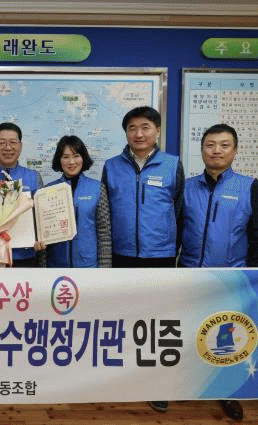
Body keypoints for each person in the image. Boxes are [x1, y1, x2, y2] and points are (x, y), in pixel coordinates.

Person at [177, 123, 257, 421]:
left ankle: (225, 391)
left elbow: (255, 235)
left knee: (225, 338)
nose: (216, 151)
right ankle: (180, 384)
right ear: (202, 150)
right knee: (187, 332)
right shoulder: (187, 187)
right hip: (190, 275)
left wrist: (251, 275)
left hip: (231, 279)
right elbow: (177, 230)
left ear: (235, 151)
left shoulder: (249, 187)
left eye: (224, 145)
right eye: (210, 145)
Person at [102, 106, 184, 268]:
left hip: (161, 254)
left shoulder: (172, 165)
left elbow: (179, 210)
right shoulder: (111, 166)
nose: (139, 134)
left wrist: (172, 248)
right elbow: (105, 212)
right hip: (121, 253)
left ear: (158, 130)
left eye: (145, 128)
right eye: (132, 128)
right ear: (126, 133)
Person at [0, 122, 44, 267]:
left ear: (20, 146)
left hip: (25, 257)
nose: (8, 147)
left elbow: (42, 216)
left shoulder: (34, 177)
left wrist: (42, 237)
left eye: (13, 142)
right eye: (2, 143)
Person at [46, 135, 111, 267]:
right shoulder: (48, 191)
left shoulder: (97, 188)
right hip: (56, 268)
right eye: (65, 157)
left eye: (76, 156)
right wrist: (43, 268)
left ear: (83, 158)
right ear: (59, 160)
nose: (71, 162)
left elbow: (104, 233)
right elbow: (44, 235)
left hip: (88, 266)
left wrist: (104, 268)